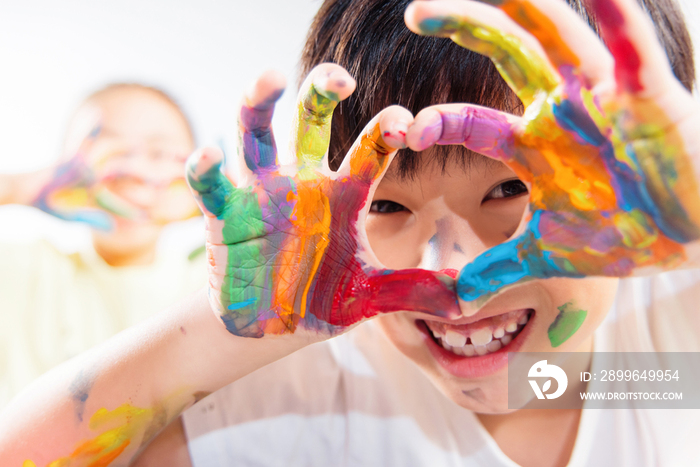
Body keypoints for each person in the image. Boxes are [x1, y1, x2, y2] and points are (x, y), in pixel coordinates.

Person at [1, 0, 699, 466]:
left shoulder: (663, 361)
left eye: (509, 189)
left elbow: (565, 387)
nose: (450, 268)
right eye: (390, 207)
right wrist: (224, 334)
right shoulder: (314, 392)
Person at [0, 83, 207, 407]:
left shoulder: (211, 287)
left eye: (158, 154)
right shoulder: (27, 271)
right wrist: (16, 188)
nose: (132, 172)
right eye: (111, 152)